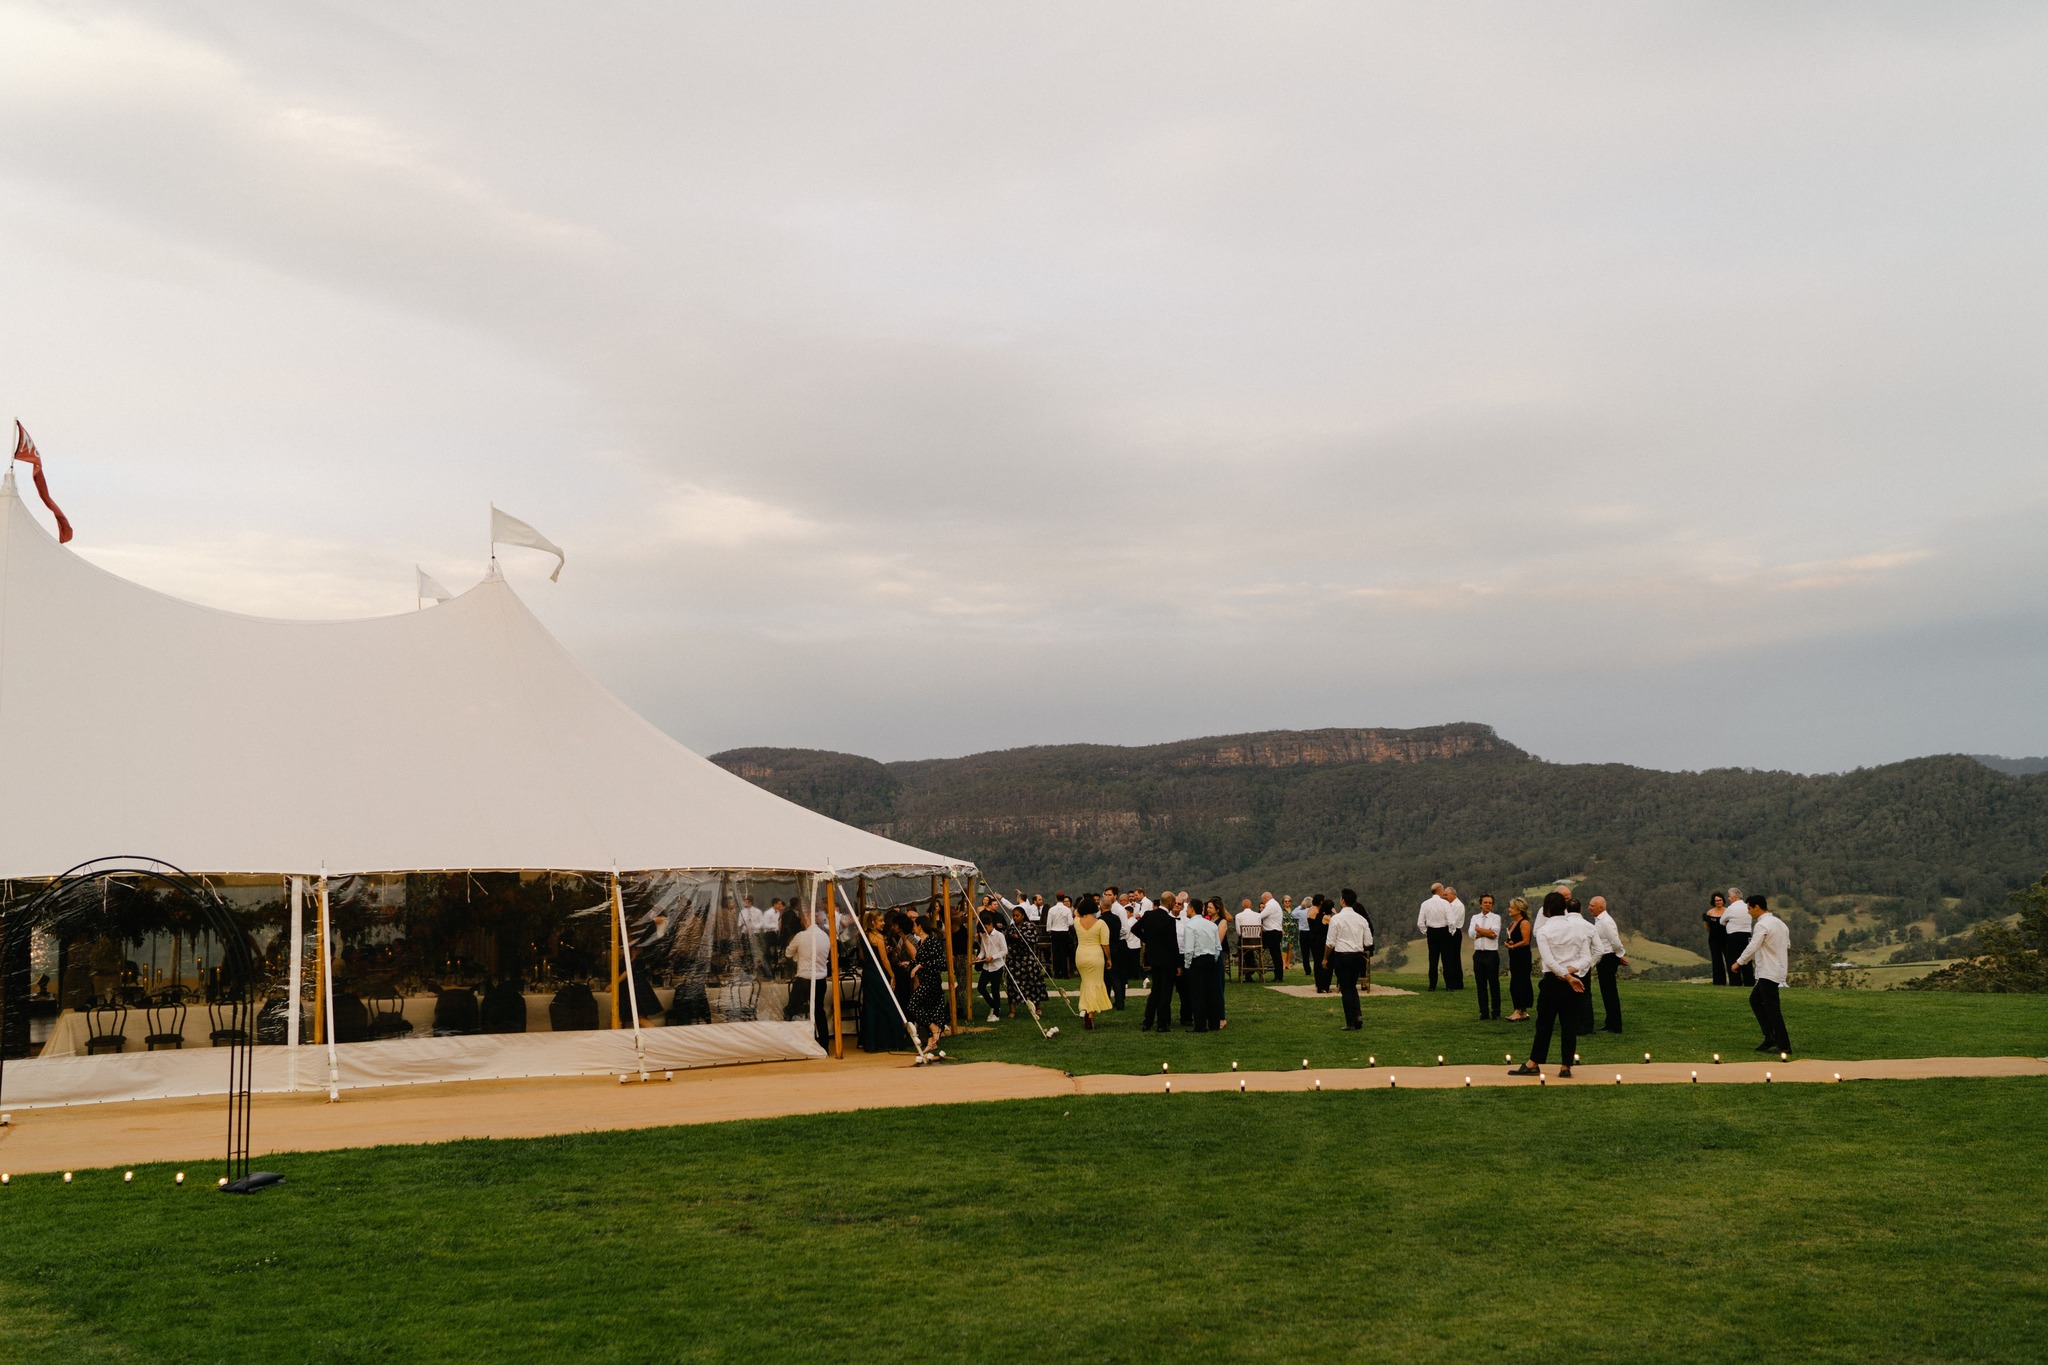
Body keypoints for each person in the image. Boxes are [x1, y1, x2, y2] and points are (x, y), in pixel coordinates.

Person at [1510, 891, 1593, 1078]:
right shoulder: (1578, 930)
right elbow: (1586, 959)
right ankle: (1566, 1066)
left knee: (1544, 1024)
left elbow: (1549, 961)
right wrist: (1570, 972)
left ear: (1546, 910)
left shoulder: (1544, 931)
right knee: (1569, 1025)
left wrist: (1565, 975)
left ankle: (1534, 1063)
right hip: (1573, 981)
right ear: (1564, 908)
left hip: (1553, 981)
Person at [1734, 893, 1792, 1054]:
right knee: (1755, 1000)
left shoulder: (1762, 925)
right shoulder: (1780, 924)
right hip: (1776, 969)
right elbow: (1786, 945)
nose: (1748, 912)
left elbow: (1753, 946)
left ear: (1757, 907)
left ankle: (1784, 1045)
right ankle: (1770, 1037)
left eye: (1749, 908)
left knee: (1773, 1009)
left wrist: (1739, 962)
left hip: (1768, 971)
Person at [857, 912, 910, 1052]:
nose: (883, 923)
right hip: (879, 973)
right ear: (873, 922)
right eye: (880, 921)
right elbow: (884, 960)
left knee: (871, 1007)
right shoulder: (878, 938)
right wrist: (892, 975)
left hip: (868, 973)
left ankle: (871, 1042)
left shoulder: (863, 936)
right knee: (890, 1005)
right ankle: (896, 1040)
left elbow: (863, 956)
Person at [784, 912, 833, 1049]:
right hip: (820, 979)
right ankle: (824, 1045)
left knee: (791, 1010)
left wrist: (798, 954)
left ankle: (791, 1041)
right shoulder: (825, 937)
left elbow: (788, 953)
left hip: (804, 980)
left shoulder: (801, 936)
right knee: (819, 1011)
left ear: (806, 922)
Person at [1324, 894, 1373, 1030]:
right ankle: (1357, 1015)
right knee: (1352, 986)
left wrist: (1325, 958)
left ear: (1343, 901)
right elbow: (1368, 942)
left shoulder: (1336, 919)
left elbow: (1330, 943)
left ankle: (1350, 1021)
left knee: (1346, 989)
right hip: (1358, 956)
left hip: (1343, 956)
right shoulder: (1361, 919)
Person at [1136, 896, 1181, 1032]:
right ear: (1170, 902)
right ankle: (1162, 1023)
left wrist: (1148, 941)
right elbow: (1173, 944)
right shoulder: (1169, 920)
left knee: (1155, 990)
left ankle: (1147, 1022)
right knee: (1165, 992)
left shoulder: (1148, 915)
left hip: (1153, 958)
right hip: (1167, 960)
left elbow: (1135, 929)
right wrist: (1178, 964)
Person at [905, 919, 950, 1050]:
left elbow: (941, 962)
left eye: (915, 925)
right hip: (925, 980)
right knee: (928, 1009)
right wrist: (910, 964)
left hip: (931, 981)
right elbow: (921, 960)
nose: (913, 927)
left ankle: (934, 1027)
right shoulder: (921, 942)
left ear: (920, 926)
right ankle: (931, 1042)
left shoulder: (931, 942)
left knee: (913, 1005)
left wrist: (920, 966)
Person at [1180, 899, 1222, 1032]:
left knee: (1197, 994)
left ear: (1192, 908)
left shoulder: (1190, 926)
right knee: (1212, 993)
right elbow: (1218, 947)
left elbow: (1189, 949)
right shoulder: (1211, 925)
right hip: (1210, 959)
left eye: (1187, 908)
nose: (1186, 910)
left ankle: (1200, 1025)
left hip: (1196, 961)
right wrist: (1213, 958)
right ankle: (1214, 1024)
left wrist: (1187, 965)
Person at [1587, 896, 1628, 1033]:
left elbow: (1615, 941)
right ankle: (1610, 1022)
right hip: (1604, 957)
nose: (1589, 908)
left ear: (1600, 907)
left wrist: (1619, 955)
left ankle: (1615, 1025)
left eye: (1592, 906)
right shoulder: (1600, 920)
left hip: (1608, 957)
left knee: (1609, 992)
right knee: (1606, 992)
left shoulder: (1605, 921)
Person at [1074, 894, 1112, 1029]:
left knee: (1086, 983)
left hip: (1081, 954)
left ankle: (1086, 1009)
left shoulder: (1077, 921)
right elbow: (1105, 944)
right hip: (1095, 955)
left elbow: (1076, 912)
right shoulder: (1101, 924)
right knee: (1094, 984)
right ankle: (1090, 1015)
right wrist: (1109, 958)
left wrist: (1081, 906)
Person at [1006, 908, 1051, 1020]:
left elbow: (1034, 939)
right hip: (1013, 959)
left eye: (1017, 915)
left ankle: (1038, 1007)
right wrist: (1012, 937)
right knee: (1012, 984)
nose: (1015, 918)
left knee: (1033, 981)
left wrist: (1019, 937)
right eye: (1013, 915)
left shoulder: (1030, 926)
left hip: (1027, 959)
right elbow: (1006, 939)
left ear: (1022, 916)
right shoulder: (1011, 927)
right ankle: (1012, 1010)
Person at [1418, 884, 1460, 990]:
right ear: (1439, 890)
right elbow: (1451, 921)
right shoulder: (1445, 903)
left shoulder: (1425, 904)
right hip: (1444, 932)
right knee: (1447, 960)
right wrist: (1451, 932)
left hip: (1431, 932)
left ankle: (1432, 986)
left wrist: (1426, 932)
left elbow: (1420, 922)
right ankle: (1449, 985)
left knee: (1433, 960)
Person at [1468, 893, 1502, 1021]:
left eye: (1490, 903)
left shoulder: (1496, 917)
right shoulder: (1475, 917)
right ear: (1480, 904)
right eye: (1485, 902)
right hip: (1478, 954)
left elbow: (1494, 934)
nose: (1488, 905)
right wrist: (1485, 931)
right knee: (1480, 985)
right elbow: (1471, 934)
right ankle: (1483, 1012)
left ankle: (1496, 1012)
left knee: (1494, 984)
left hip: (1491, 954)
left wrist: (1479, 929)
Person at [975, 911, 1009, 1024]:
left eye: (985, 927)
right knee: (981, 987)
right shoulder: (984, 936)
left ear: (990, 924)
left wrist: (993, 957)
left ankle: (996, 1014)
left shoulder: (999, 935)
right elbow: (982, 951)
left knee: (995, 989)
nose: (984, 930)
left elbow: (1004, 951)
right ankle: (994, 1005)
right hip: (987, 966)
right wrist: (979, 958)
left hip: (997, 966)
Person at [1504, 897, 1534, 1021]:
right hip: (1514, 956)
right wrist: (1510, 943)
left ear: (1518, 910)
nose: (1509, 909)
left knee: (1520, 983)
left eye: (1512, 908)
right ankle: (1522, 1011)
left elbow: (1526, 941)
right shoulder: (1513, 923)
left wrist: (1513, 946)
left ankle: (1519, 1010)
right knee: (1516, 982)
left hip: (1522, 957)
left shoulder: (1524, 923)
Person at [1722, 888, 1754, 987]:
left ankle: (1735, 982)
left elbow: (1722, 921)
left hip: (1733, 935)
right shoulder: (1747, 907)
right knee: (1746, 958)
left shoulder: (1731, 908)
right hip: (1747, 934)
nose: (1728, 898)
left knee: (1732, 958)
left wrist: (1727, 923)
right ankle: (1749, 982)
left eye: (1729, 896)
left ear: (1733, 897)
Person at [1045, 893, 1077, 977]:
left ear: (1056, 898)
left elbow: (1049, 923)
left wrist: (1049, 931)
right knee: (1064, 953)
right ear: (1063, 899)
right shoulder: (1067, 910)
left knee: (1055, 953)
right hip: (1064, 932)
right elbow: (1071, 922)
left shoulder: (1051, 909)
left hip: (1055, 932)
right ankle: (1064, 973)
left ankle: (1056, 973)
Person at [1309, 896, 1335, 993]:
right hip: (1324, 943)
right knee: (1327, 964)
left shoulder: (1318, 915)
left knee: (1318, 963)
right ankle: (1325, 986)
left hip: (1317, 942)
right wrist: (1336, 913)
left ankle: (1319, 985)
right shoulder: (1327, 917)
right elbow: (1337, 923)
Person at [1235, 898, 1265, 980]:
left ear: (1242, 906)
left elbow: (1238, 932)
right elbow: (1259, 930)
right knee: (1249, 953)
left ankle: (1246, 971)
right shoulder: (1258, 915)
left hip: (1244, 942)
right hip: (1257, 942)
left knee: (1241, 949)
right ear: (1251, 905)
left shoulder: (1238, 916)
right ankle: (1252, 969)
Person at [1704, 891, 1730, 986]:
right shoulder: (1710, 912)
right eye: (1716, 900)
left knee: (1729, 959)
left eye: (1720, 900)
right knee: (1716, 960)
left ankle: (1734, 981)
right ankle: (1719, 982)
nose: (1719, 902)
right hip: (1714, 940)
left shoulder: (1728, 911)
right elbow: (1707, 926)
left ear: (1723, 900)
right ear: (1713, 902)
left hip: (1726, 939)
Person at [1260, 891, 1286, 982]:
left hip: (1272, 932)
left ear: (1265, 898)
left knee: (1275, 955)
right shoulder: (1275, 904)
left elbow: (1260, 916)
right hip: (1275, 932)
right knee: (1276, 954)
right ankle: (1278, 975)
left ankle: (1278, 976)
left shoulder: (1270, 905)